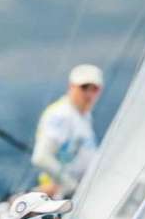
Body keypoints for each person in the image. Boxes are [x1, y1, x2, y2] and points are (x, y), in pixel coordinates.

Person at [31, 64, 103, 198]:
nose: (89, 94)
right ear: (71, 87)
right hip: (62, 195)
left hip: (82, 191)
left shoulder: (84, 115)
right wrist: (71, 185)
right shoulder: (60, 114)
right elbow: (41, 157)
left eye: (95, 89)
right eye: (84, 87)